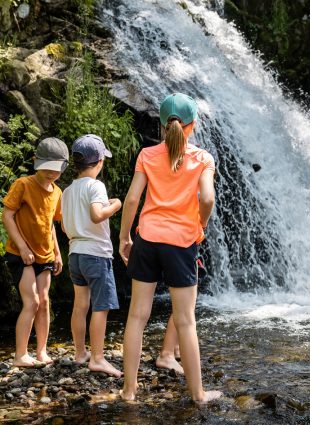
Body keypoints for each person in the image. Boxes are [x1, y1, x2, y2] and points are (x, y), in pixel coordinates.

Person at [119, 92, 222, 403]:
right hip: (180, 243)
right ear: (192, 125)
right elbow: (207, 199)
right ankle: (198, 394)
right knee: (185, 320)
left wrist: (125, 237)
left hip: (148, 239)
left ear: (163, 126)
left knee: (137, 317)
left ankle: (128, 392)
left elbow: (133, 199)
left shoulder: (148, 156)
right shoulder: (202, 158)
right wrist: (199, 227)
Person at [2, 137, 67, 367]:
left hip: (45, 254)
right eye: (46, 170)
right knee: (32, 302)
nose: (51, 175)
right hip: (21, 254)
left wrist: (57, 253)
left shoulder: (57, 192)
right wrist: (21, 246)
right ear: (35, 162)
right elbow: (7, 215)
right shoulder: (23, 184)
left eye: (56, 171)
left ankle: (41, 351)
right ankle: (20, 355)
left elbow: (51, 224)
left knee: (45, 302)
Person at [61, 134, 122, 378]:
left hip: (75, 254)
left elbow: (65, 227)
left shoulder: (67, 191)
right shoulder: (96, 186)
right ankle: (97, 358)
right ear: (99, 162)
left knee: (80, 305)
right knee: (101, 307)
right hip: (96, 254)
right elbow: (97, 215)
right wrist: (115, 205)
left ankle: (80, 353)